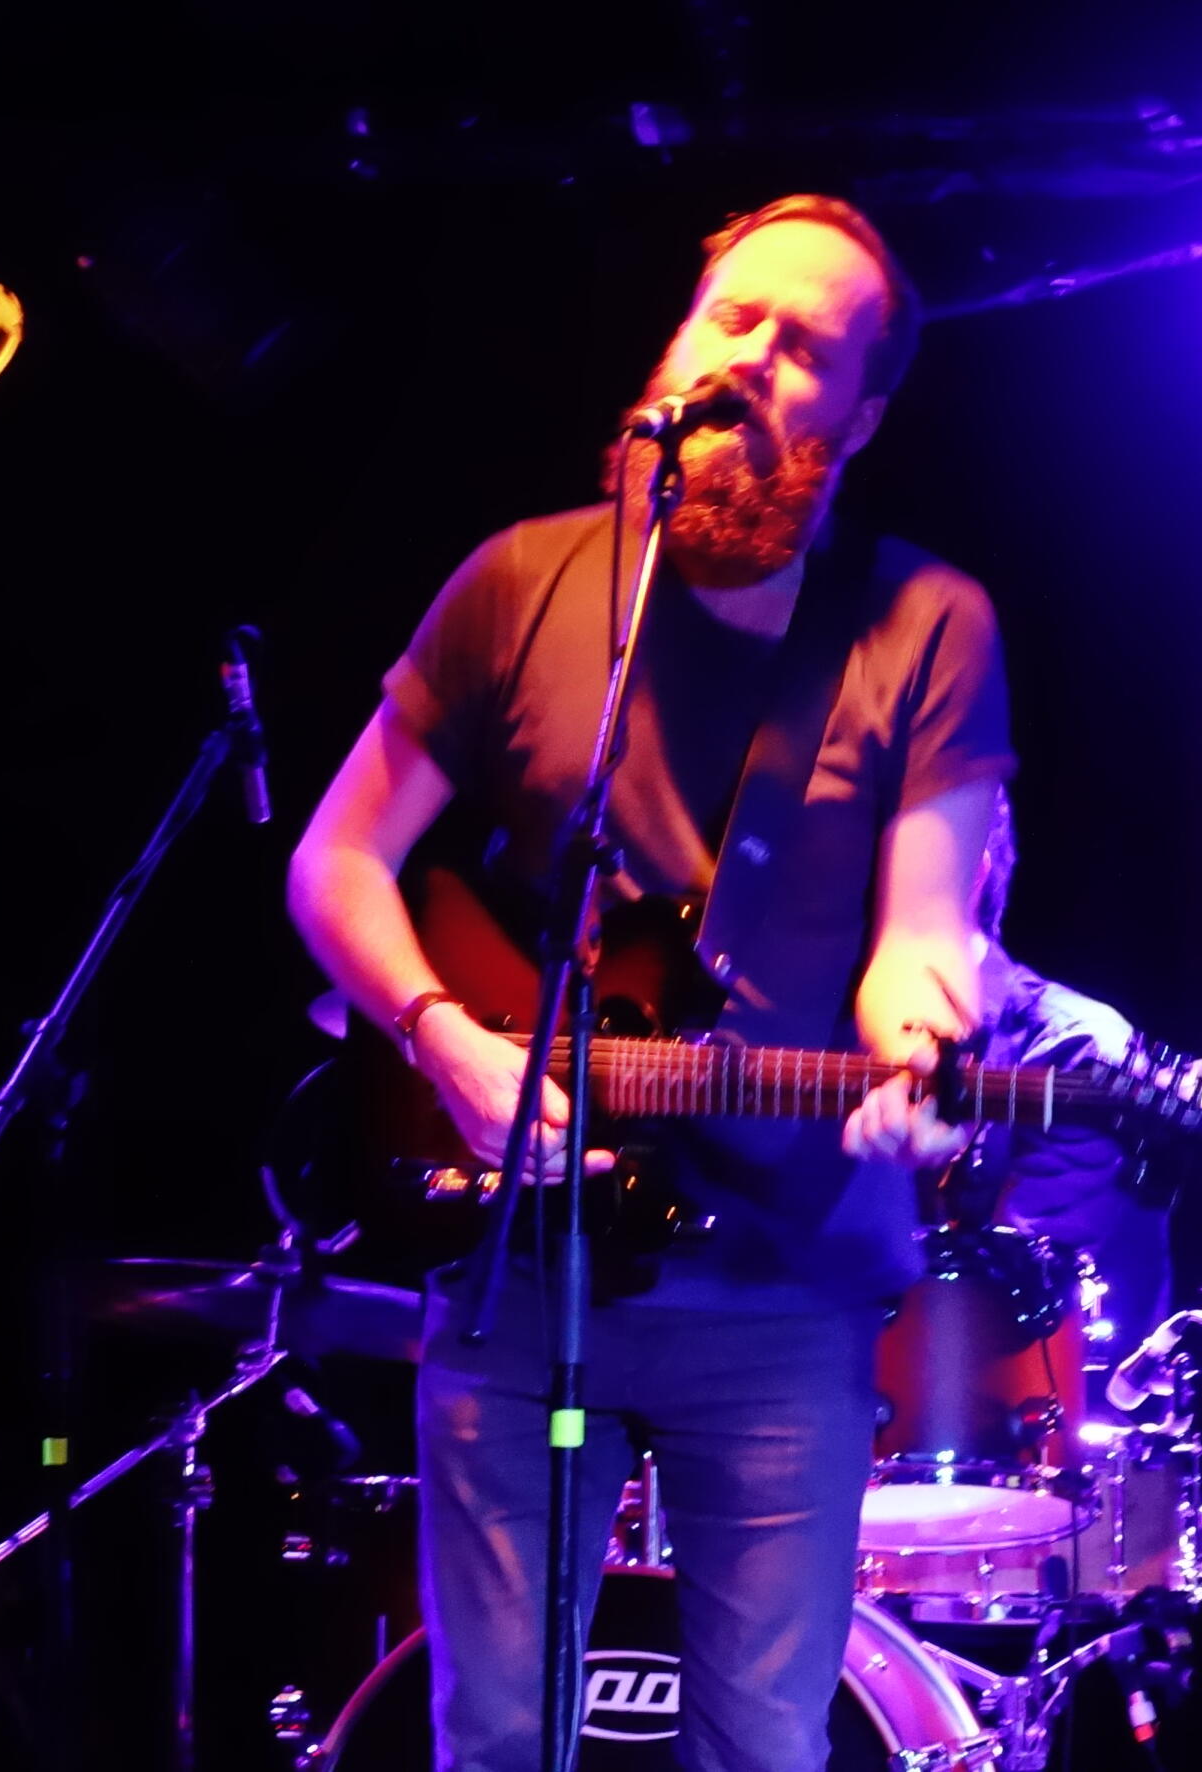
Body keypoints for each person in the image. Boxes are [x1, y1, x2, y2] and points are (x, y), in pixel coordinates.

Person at [286, 194, 1008, 1772]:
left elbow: (922, 939)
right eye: (729, 318)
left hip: (780, 1291)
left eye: (802, 346)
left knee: (761, 1743)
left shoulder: (925, 622)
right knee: (495, 1736)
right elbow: (334, 863)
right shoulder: (522, 582)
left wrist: (918, 1066)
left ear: (859, 418)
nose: (748, 357)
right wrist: (445, 1043)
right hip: (513, 1264)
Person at [952, 788, 1176, 1346]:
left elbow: (1023, 1283)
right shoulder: (836, 1030)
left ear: (969, 872)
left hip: (1027, 1378)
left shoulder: (1077, 1046)